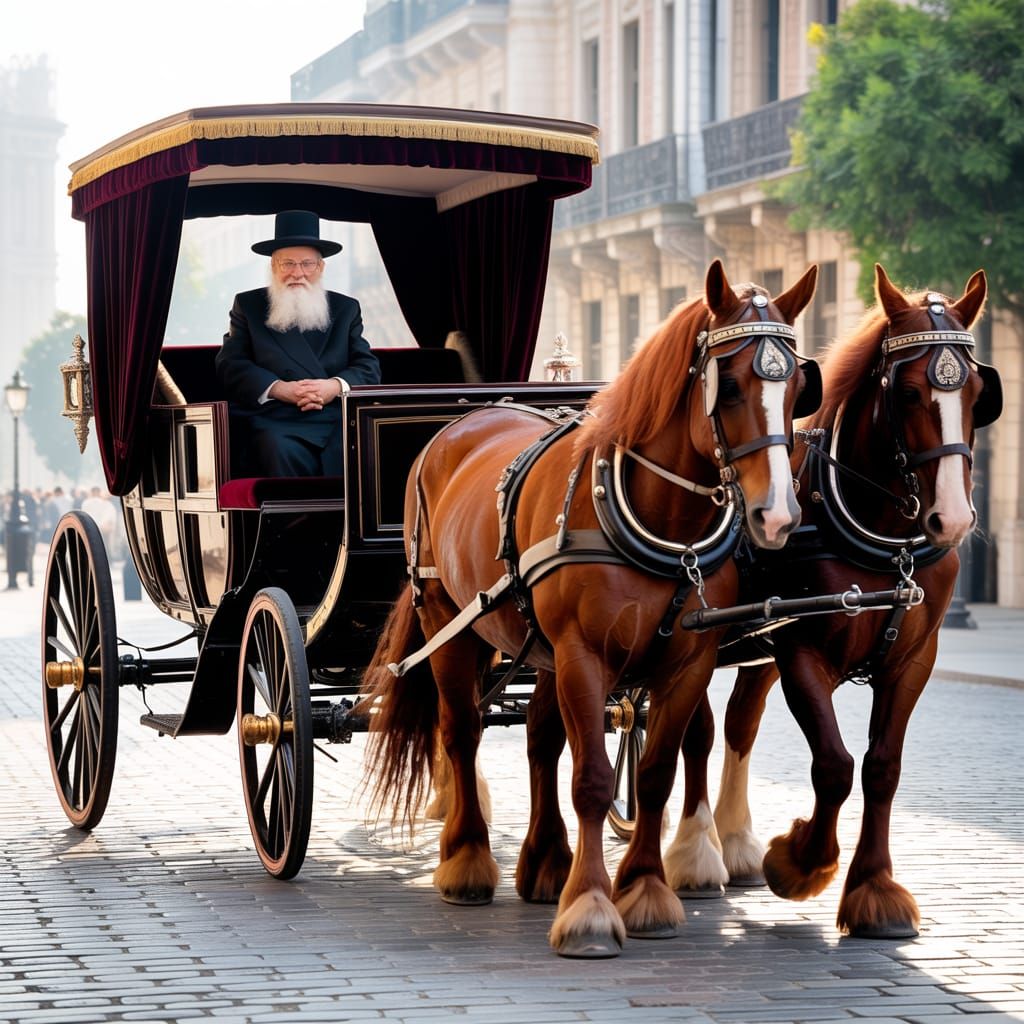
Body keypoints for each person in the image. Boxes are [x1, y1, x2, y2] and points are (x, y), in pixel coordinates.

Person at [215, 210, 381, 477]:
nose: (298, 273)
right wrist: (279, 389)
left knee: (360, 445)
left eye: (307, 264)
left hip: (334, 415)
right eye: (288, 264)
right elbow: (230, 364)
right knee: (277, 446)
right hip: (275, 417)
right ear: (273, 266)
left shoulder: (345, 308)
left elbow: (367, 366)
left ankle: (352, 520)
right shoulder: (249, 305)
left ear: (321, 267)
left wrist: (333, 386)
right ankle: (292, 520)